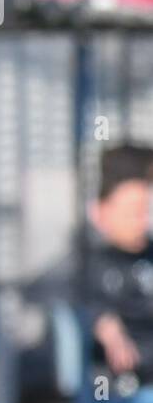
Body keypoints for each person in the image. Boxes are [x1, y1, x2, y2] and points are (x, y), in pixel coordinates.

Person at [26, 144, 153, 384]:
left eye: (144, 211)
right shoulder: (83, 262)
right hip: (109, 387)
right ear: (100, 211)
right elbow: (43, 295)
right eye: (132, 212)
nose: (141, 222)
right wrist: (99, 320)